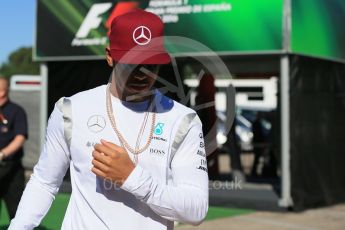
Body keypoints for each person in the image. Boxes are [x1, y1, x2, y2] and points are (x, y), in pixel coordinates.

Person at [9, 9, 208, 230]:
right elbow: (44, 183)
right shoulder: (71, 110)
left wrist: (132, 177)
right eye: (131, 64)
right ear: (109, 56)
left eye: (151, 64)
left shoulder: (182, 120)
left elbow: (196, 210)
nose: (142, 73)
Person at [0, 76, 28, 221]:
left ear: (2, 92)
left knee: (16, 214)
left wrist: (2, 154)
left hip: (11, 170)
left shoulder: (16, 111)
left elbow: (20, 138)